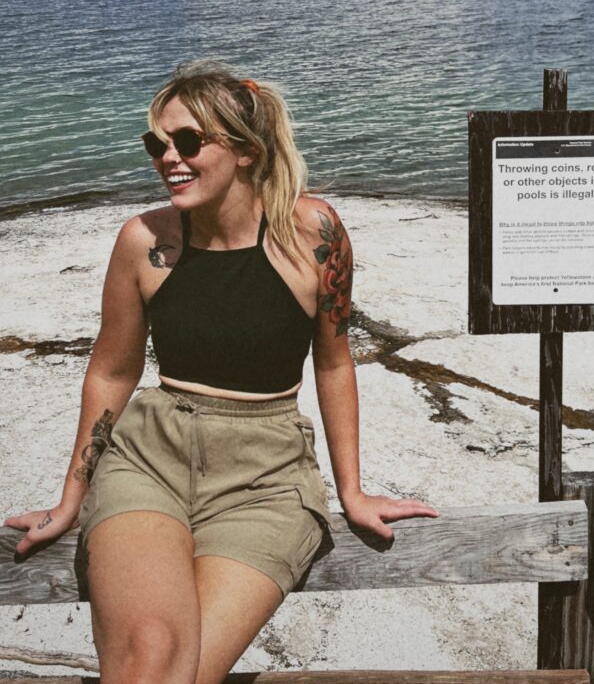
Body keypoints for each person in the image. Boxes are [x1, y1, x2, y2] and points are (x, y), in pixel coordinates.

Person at [4, 61, 438, 684]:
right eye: (158, 144)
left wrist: (352, 490)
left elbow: (336, 363)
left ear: (244, 150)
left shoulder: (314, 232)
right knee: (152, 653)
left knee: (181, 672)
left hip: (267, 476)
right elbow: (111, 371)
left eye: (187, 141)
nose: (168, 159)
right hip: (149, 458)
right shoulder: (143, 240)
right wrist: (71, 497)